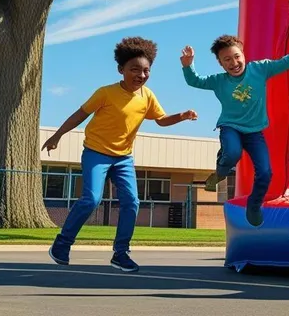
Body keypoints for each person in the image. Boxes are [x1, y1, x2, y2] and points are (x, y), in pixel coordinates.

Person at [43, 37, 197, 272]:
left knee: (131, 202)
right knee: (91, 199)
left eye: (146, 70)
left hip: (123, 157)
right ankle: (62, 244)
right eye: (134, 69)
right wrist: (57, 135)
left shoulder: (147, 96)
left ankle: (121, 253)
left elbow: (161, 120)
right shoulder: (106, 93)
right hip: (96, 152)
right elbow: (79, 114)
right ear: (121, 70)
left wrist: (182, 116)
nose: (141, 75)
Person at [181, 34, 289, 227]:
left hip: (254, 131)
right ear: (221, 64)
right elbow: (195, 81)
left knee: (265, 172)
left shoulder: (259, 69)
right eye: (227, 60)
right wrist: (188, 66)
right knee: (232, 153)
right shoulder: (218, 81)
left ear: (243, 55)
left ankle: (254, 204)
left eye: (236, 56)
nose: (234, 62)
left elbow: (286, 62)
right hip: (230, 126)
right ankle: (221, 171)